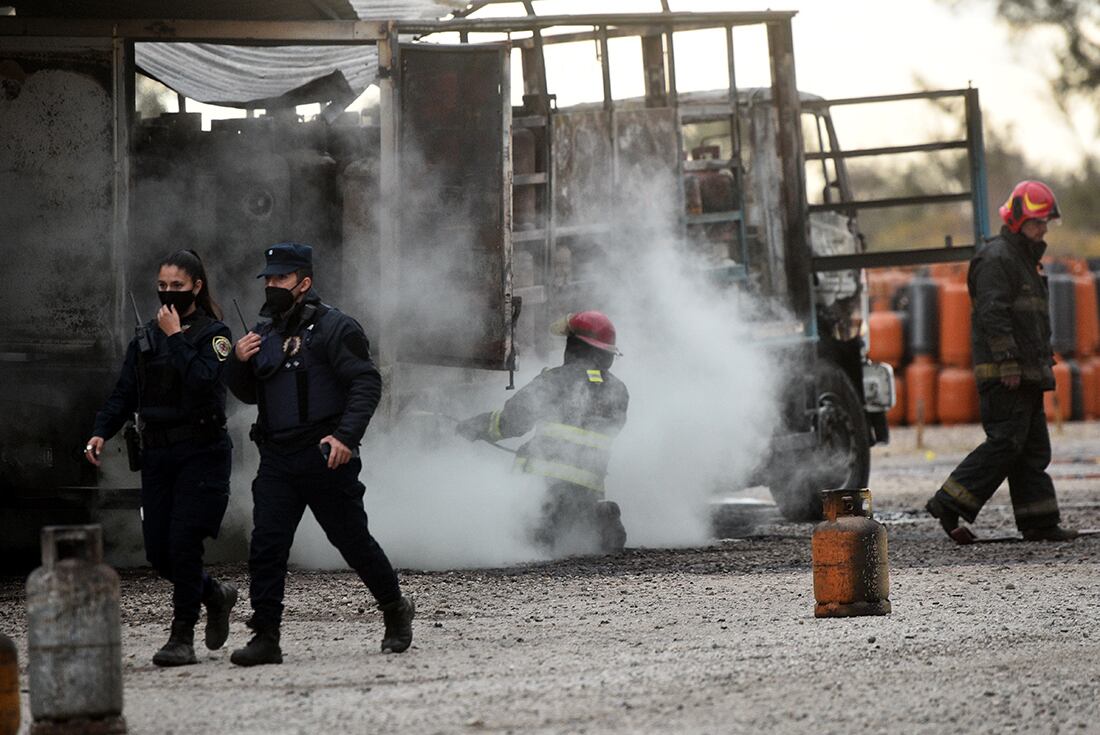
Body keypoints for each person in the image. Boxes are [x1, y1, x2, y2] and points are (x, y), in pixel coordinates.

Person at [225, 242, 413, 666]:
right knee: (267, 545)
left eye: (282, 279)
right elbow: (250, 392)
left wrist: (346, 437)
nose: (272, 286)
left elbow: (366, 384)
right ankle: (266, 636)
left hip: (326, 454)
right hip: (277, 457)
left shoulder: (335, 328)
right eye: (268, 279)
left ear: (304, 283)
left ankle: (395, 609)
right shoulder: (265, 331)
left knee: (352, 542)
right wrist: (237, 361)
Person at [84, 249, 237, 667]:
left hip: (200, 454)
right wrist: (101, 430)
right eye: (163, 286)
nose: (168, 293)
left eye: (177, 287)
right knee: (159, 552)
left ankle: (181, 637)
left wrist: (176, 337)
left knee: (185, 544)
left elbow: (206, 381)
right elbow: (124, 392)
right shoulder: (145, 337)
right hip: (158, 456)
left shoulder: (213, 334)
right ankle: (214, 594)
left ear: (197, 287)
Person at [926, 180, 1078, 542]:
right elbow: (993, 315)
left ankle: (1039, 521)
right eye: (1037, 222)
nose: (1043, 230)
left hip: (1027, 373)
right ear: (1017, 220)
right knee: (1006, 442)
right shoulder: (997, 259)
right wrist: (1008, 361)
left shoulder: (1025, 261)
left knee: (1033, 449)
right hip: (1004, 374)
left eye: (1045, 224)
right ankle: (948, 501)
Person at [455, 311, 630, 556]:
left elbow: (513, 421)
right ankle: (594, 517)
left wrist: (473, 427)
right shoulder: (619, 391)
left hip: (543, 493)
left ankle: (541, 529)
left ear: (575, 347)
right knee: (572, 530)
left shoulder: (555, 380)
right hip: (589, 493)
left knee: (525, 540)